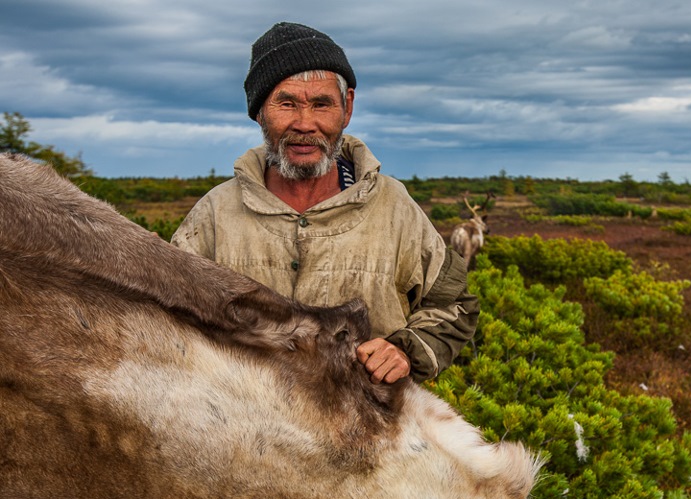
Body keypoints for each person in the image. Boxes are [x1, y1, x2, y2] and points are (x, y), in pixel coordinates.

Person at [171, 22, 479, 385]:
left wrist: (405, 349)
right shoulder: (214, 215)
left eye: (322, 104)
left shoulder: (393, 206)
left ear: (346, 109)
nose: (305, 123)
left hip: (369, 432)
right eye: (286, 103)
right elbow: (168, 322)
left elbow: (454, 306)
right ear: (259, 112)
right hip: (245, 436)